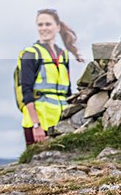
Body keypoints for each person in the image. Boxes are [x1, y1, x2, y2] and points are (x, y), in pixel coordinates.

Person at [20, 9, 83, 145]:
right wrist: (36, 125)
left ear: (58, 27)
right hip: (38, 124)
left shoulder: (63, 55)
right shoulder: (30, 54)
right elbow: (26, 91)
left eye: (48, 24)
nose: (44, 28)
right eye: (40, 25)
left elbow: (67, 91)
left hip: (60, 121)